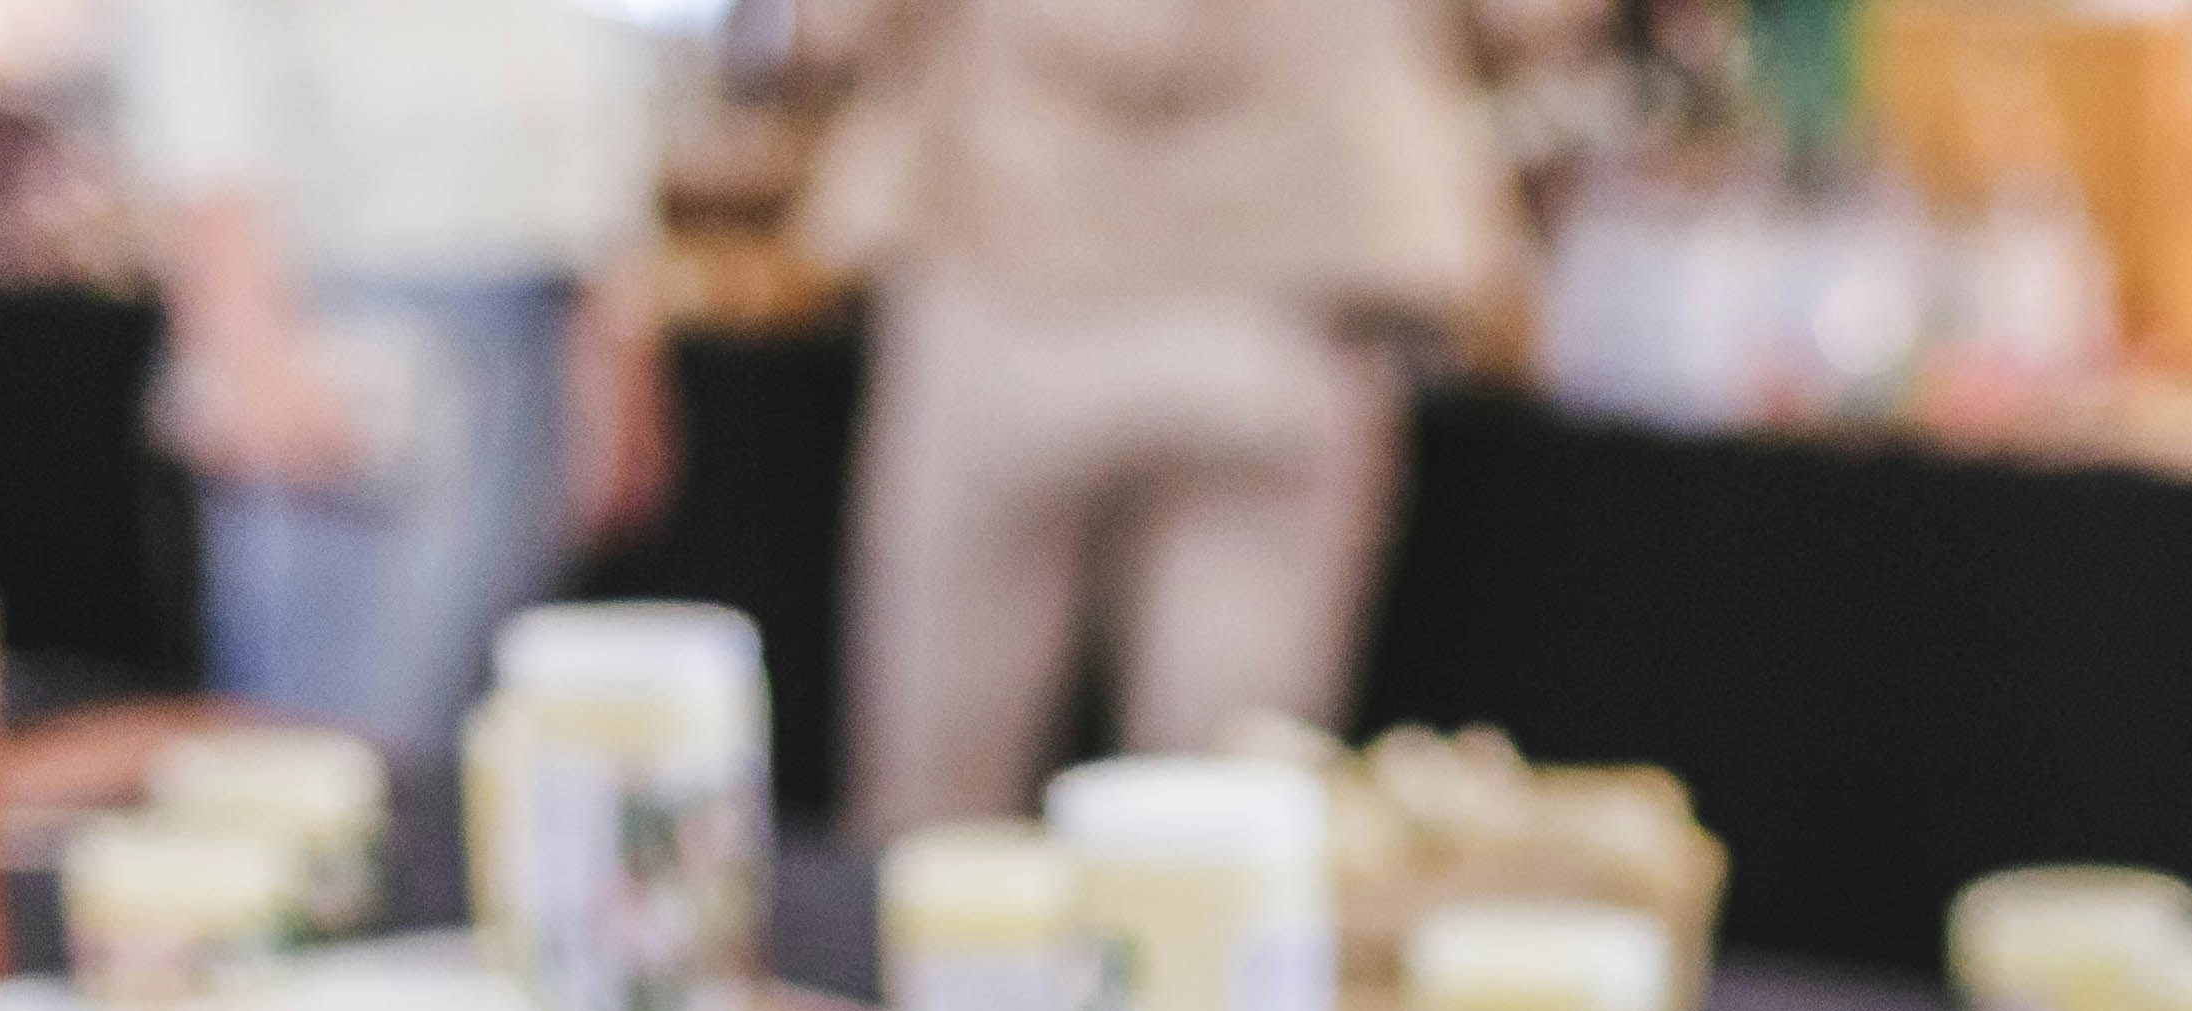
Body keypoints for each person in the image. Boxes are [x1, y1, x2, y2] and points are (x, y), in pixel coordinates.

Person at [804, 0, 1524, 831]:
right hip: (1286, 274)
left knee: (936, 831)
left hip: (1009, 250)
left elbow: (835, 29)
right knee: (1216, 830)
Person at [121, 0, 685, 750]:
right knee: (335, 744)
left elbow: (581, 66)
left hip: (539, 305)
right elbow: (196, 47)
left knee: (490, 746)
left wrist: (615, 338)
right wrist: (247, 341)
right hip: (356, 314)